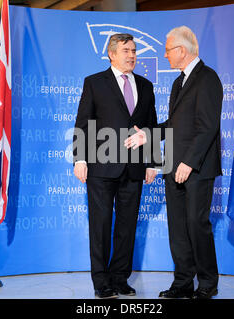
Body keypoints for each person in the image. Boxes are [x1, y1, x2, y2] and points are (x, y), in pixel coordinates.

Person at [125, 26, 223, 299]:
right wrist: (149, 132)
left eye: (168, 50)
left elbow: (207, 127)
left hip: (197, 168)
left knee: (196, 224)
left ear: (181, 50)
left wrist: (189, 163)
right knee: (178, 228)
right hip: (173, 167)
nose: (166, 55)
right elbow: (174, 125)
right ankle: (182, 283)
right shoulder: (178, 83)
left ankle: (207, 284)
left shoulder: (208, 78)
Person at [73, 33, 158, 299]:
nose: (132, 55)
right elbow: (83, 122)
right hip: (101, 167)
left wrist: (153, 161)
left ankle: (120, 278)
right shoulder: (95, 83)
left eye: (134, 50)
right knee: (100, 226)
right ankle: (101, 283)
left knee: (127, 225)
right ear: (111, 54)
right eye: (126, 51)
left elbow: (152, 126)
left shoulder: (146, 86)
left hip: (134, 167)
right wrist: (80, 158)